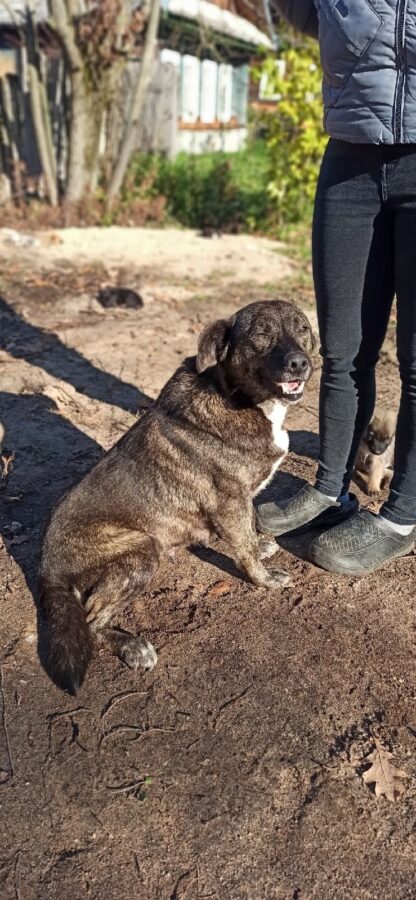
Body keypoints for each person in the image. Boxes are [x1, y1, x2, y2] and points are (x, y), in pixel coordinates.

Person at [256, 0, 416, 575]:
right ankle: (330, 489)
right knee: (344, 349)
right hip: (349, 162)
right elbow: (299, 13)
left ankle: (401, 515)